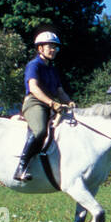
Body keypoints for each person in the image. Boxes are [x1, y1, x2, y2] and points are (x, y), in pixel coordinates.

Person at [14, 30, 74, 182]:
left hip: (51, 104)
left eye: (56, 47)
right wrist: (52, 103)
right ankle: (21, 167)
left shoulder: (52, 69)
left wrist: (69, 102)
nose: (54, 50)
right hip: (35, 103)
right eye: (50, 47)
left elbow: (60, 91)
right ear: (40, 48)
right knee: (40, 131)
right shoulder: (33, 65)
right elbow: (33, 88)